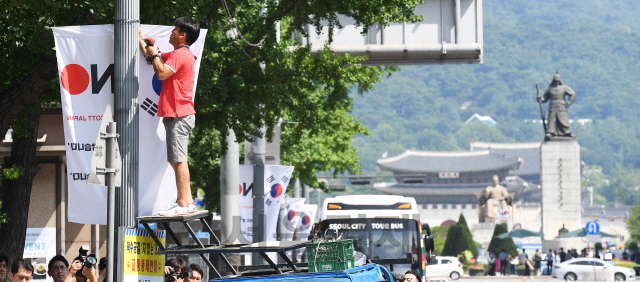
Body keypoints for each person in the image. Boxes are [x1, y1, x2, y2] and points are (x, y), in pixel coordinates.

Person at [139, 17, 201, 216]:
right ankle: (188, 201)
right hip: (178, 114)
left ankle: (183, 204)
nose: (171, 33)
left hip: (178, 114)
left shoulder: (181, 54)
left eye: (175, 30)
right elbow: (151, 57)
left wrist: (156, 54)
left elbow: (161, 73)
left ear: (183, 35)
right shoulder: (179, 54)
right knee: (176, 160)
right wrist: (141, 38)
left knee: (179, 160)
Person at [537, 71, 576, 138]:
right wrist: (540, 99)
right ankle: (550, 132)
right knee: (552, 119)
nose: (556, 82)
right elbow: (545, 99)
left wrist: (569, 102)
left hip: (561, 105)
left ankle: (567, 132)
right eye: (555, 81)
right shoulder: (550, 89)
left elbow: (572, 94)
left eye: (557, 81)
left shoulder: (564, 88)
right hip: (552, 105)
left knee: (563, 119)